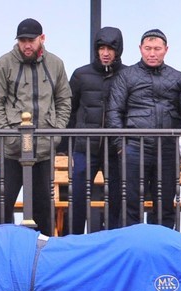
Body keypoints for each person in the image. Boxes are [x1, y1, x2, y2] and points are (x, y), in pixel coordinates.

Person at [0, 17, 71, 236]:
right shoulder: (3, 63)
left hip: (43, 150)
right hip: (11, 152)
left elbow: (64, 100)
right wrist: (8, 136)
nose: (26, 45)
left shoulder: (56, 64)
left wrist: (57, 133)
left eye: (31, 40)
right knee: (2, 208)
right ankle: (1, 252)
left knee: (44, 209)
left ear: (42, 39)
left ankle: (43, 256)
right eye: (22, 40)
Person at [106, 28, 181, 229]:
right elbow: (114, 112)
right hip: (134, 147)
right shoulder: (126, 76)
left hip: (168, 149)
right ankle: (132, 248)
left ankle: (160, 247)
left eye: (157, 49)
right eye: (148, 48)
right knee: (131, 202)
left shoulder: (177, 77)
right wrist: (121, 147)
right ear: (140, 49)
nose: (152, 53)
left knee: (165, 203)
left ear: (166, 50)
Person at [64, 27, 127, 234]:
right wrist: (69, 147)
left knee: (116, 199)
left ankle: (112, 243)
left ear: (119, 50)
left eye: (110, 48)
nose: (106, 52)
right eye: (101, 48)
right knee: (77, 198)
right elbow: (69, 112)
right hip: (85, 147)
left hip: (115, 149)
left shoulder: (128, 75)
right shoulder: (81, 75)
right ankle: (70, 242)